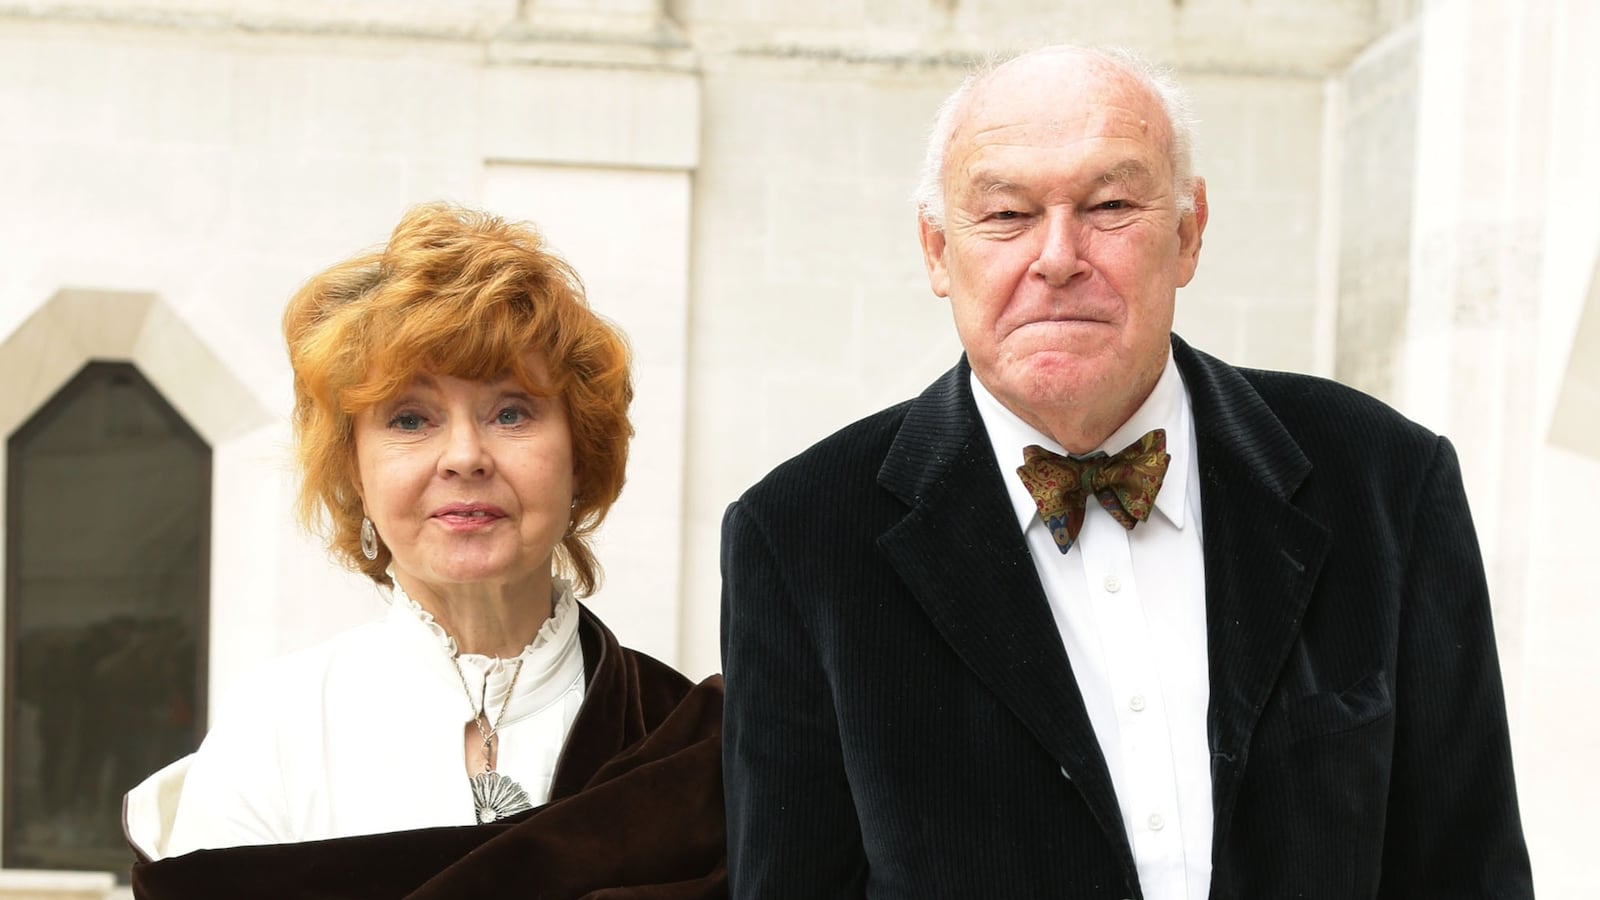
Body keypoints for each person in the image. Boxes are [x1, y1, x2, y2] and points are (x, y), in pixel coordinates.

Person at [719, 45, 1533, 899]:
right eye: (1006, 214)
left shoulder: (1389, 484)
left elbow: (1468, 871)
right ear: (935, 250)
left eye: (1110, 204)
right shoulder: (799, 537)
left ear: (1188, 232)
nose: (1058, 255)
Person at [123, 203, 726, 899]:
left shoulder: (683, 742)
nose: (465, 456)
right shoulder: (274, 731)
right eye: (411, 419)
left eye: (512, 412)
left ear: (580, 457)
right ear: (353, 470)